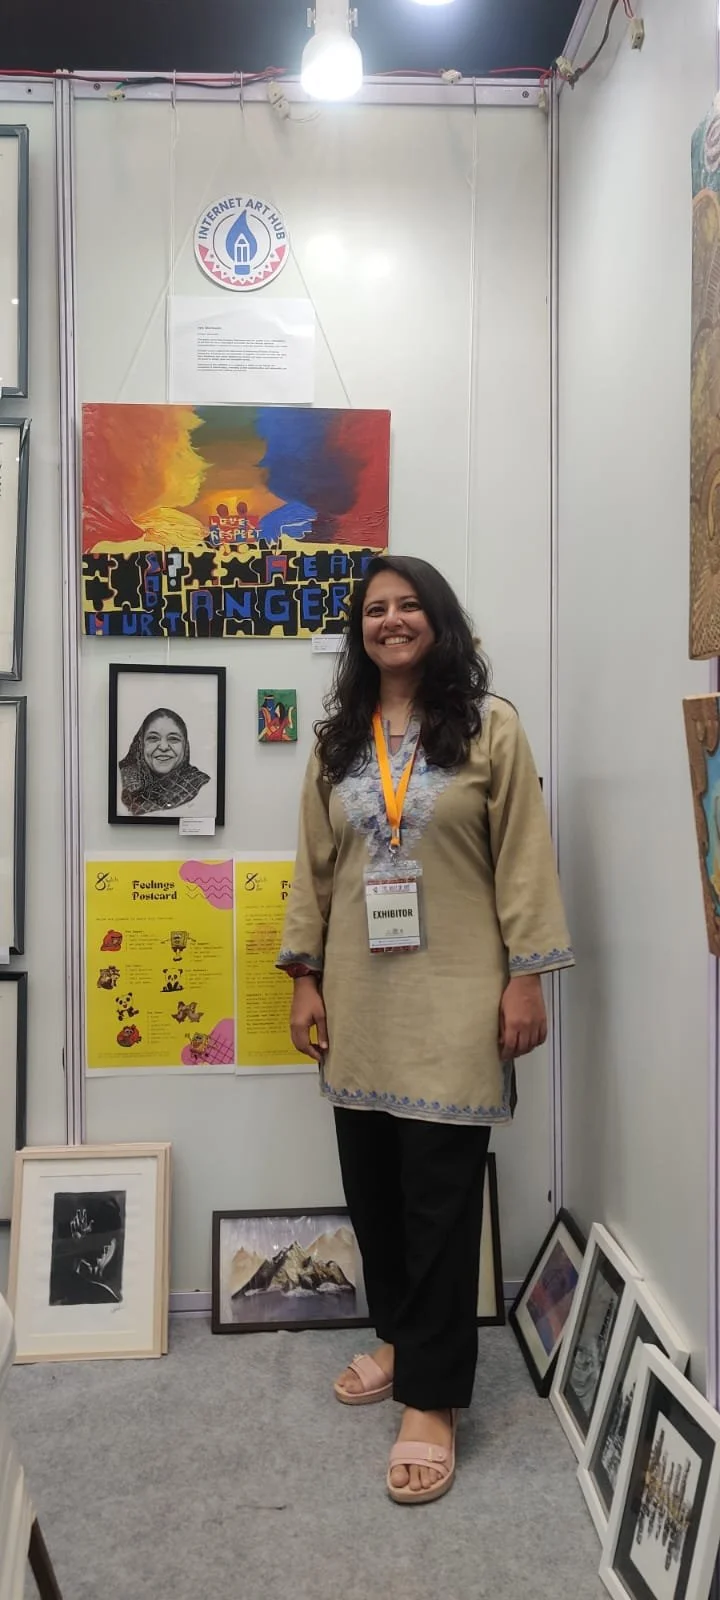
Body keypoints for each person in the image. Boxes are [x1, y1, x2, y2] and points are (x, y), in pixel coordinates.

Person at [278, 554, 574, 1506]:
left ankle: (433, 1400)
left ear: (438, 622)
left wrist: (526, 979)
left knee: (440, 1205)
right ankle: (400, 1340)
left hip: (458, 998)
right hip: (361, 1001)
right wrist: (304, 980)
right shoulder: (337, 744)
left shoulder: (490, 728)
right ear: (359, 630)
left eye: (410, 606)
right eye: (376, 609)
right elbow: (313, 869)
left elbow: (525, 860)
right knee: (373, 1192)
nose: (392, 621)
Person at [119, 708, 210, 816]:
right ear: (140, 744)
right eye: (153, 738)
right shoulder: (119, 780)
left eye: (173, 739)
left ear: (185, 746)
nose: (163, 747)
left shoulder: (203, 788)